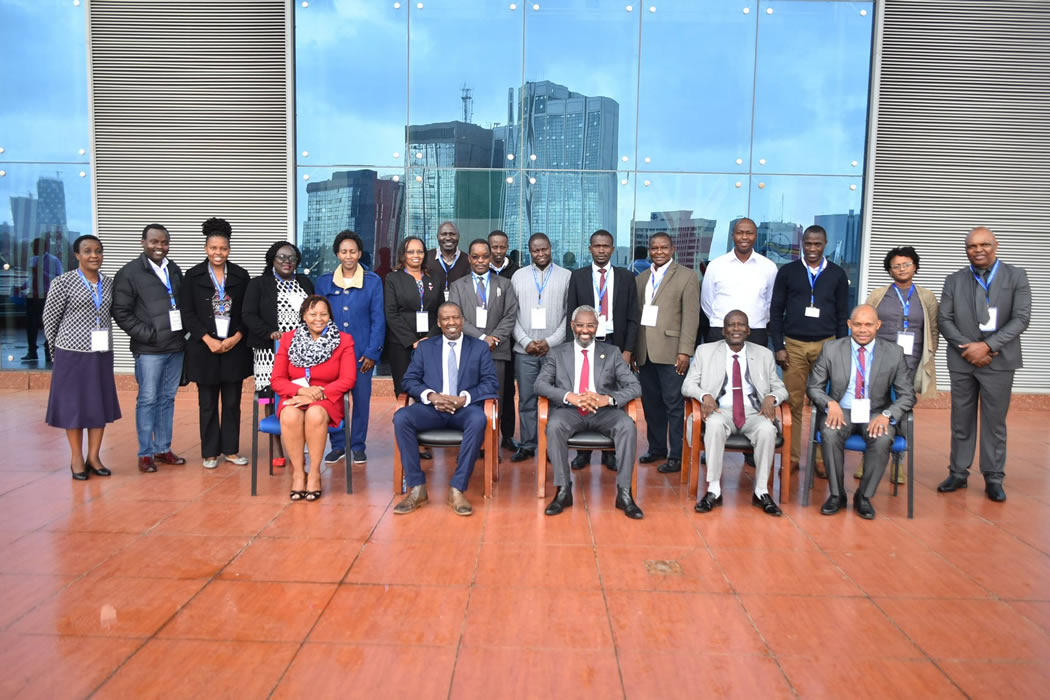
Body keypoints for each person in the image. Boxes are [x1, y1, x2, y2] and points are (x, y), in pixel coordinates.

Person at [937, 226, 1031, 502]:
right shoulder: (954, 280)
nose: (977, 250)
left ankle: (993, 477)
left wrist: (988, 346)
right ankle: (958, 472)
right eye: (971, 246)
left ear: (996, 246)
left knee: (994, 422)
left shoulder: (1016, 276)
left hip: (999, 360)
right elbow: (945, 319)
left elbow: (1021, 318)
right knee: (960, 419)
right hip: (963, 360)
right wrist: (969, 348)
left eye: (983, 245)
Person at [807, 305, 916, 519]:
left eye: (868, 324)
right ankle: (837, 495)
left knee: (883, 438)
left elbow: (908, 395)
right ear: (849, 325)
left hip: (876, 412)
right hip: (842, 409)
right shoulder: (832, 349)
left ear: (878, 326)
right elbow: (814, 387)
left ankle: (863, 497)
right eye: (857, 324)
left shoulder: (894, 353)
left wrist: (887, 415)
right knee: (829, 433)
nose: (862, 330)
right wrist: (830, 404)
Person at [535, 305, 644, 519]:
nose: (585, 330)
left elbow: (635, 386)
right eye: (581, 325)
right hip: (570, 410)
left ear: (597, 327)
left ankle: (624, 493)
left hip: (604, 412)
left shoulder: (612, 353)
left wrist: (608, 399)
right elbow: (540, 385)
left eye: (591, 325)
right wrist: (569, 396)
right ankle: (563, 489)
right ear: (572, 326)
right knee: (554, 425)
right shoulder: (557, 353)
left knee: (627, 426)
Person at [392, 302, 499, 516]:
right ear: (439, 323)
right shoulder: (425, 347)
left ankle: (457, 489)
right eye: (446, 319)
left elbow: (491, 383)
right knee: (402, 417)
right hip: (432, 409)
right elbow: (410, 380)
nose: (452, 322)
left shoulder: (478, 348)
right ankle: (417, 488)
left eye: (456, 318)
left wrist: (464, 399)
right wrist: (431, 396)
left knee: (479, 420)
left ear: (462, 321)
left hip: (464, 409)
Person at [681, 310, 787, 516]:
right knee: (713, 424)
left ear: (748, 330)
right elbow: (688, 385)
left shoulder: (764, 354)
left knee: (767, 430)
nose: (736, 329)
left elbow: (781, 388)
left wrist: (772, 398)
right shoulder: (705, 351)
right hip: (720, 410)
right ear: (724, 330)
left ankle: (761, 491)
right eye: (731, 325)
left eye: (741, 325)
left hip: (754, 412)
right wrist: (704, 395)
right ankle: (713, 490)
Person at [768, 224, 850, 474]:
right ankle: (792, 458)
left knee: (826, 404)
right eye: (808, 244)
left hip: (827, 346)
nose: (812, 248)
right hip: (793, 346)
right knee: (792, 404)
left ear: (824, 244)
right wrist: (778, 346)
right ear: (802, 244)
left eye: (817, 244)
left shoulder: (837, 274)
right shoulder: (788, 272)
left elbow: (842, 314)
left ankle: (821, 460)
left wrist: (840, 349)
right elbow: (775, 310)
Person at [42, 234, 120, 480]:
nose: (94, 255)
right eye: (87, 251)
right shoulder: (63, 282)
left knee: (98, 405)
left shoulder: (108, 284)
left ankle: (94, 457)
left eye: (98, 251)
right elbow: (50, 319)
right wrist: (57, 354)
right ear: (77, 255)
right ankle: (77, 457)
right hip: (71, 355)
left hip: (100, 353)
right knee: (73, 408)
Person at [113, 223, 188, 473]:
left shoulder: (174, 269)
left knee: (167, 399)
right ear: (143, 242)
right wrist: (149, 335)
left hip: (176, 346)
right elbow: (121, 312)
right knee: (147, 399)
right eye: (154, 242)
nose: (160, 247)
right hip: (149, 349)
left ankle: (162, 448)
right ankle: (145, 453)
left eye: (164, 242)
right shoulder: (130, 272)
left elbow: (183, 303)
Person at [861, 246, 939, 483]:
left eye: (906, 264)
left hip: (911, 362)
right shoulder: (878, 294)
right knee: (872, 407)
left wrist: (929, 356)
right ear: (889, 270)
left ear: (914, 266)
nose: (901, 269)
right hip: (879, 363)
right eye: (896, 265)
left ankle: (898, 464)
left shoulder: (926, 296)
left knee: (903, 410)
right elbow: (864, 324)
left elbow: (933, 329)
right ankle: (867, 460)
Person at [565, 229, 640, 472]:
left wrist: (628, 351)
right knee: (585, 388)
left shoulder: (627, 278)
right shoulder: (578, 276)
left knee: (611, 393)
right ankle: (583, 454)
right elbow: (571, 315)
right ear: (590, 248)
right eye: (597, 245)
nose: (601, 250)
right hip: (584, 343)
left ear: (612, 248)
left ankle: (611, 453)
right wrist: (571, 349)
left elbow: (632, 318)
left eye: (606, 246)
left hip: (615, 342)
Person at [180, 218, 252, 469]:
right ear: (205, 249)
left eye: (223, 248)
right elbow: (187, 313)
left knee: (232, 404)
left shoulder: (241, 276)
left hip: (234, 348)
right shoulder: (192, 276)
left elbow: (247, 312)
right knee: (207, 404)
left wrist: (237, 337)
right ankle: (210, 452)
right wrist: (207, 339)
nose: (218, 253)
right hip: (204, 349)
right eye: (213, 248)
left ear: (229, 250)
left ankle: (231, 450)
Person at [270, 295, 357, 501]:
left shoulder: (344, 340)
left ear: (330, 316)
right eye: (313, 314)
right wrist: (302, 392)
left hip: (327, 397)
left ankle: (315, 473)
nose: (318, 318)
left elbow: (348, 379)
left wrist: (318, 394)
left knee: (316, 413)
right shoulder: (288, 339)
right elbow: (277, 379)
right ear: (303, 316)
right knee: (289, 414)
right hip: (296, 394)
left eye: (323, 314)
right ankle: (299, 473)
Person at [316, 230, 386, 466]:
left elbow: (378, 319)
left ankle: (357, 446)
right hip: (331, 354)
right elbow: (318, 318)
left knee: (361, 400)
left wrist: (372, 352)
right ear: (337, 253)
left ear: (359, 253)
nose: (348, 255)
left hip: (361, 354)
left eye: (353, 251)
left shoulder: (373, 281)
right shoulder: (324, 281)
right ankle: (337, 445)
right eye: (344, 251)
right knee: (332, 400)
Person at [633, 232, 700, 474]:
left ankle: (677, 454)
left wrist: (685, 352)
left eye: (663, 248)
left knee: (674, 405)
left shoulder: (687, 277)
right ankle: (657, 448)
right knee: (651, 404)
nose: (658, 252)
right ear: (649, 250)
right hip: (645, 353)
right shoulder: (640, 279)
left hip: (673, 353)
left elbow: (691, 318)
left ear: (672, 249)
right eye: (654, 248)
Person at [242, 240, 313, 468]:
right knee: (267, 395)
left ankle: (299, 445)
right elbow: (248, 315)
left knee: (298, 394)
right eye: (281, 257)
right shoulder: (259, 284)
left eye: (291, 258)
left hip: (301, 352)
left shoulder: (305, 283)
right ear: (272, 259)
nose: (287, 261)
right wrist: (270, 333)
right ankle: (276, 446)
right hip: (268, 352)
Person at [509, 233, 572, 462]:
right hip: (523, 351)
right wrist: (526, 342)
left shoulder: (566, 276)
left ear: (551, 248)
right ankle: (527, 444)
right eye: (536, 250)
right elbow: (511, 314)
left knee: (555, 399)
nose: (541, 254)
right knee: (526, 399)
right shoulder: (518, 276)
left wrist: (550, 342)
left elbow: (570, 315)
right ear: (529, 252)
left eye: (544, 249)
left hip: (555, 351)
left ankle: (551, 445)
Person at [450, 239, 518, 447]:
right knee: (469, 396)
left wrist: (493, 338)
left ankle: (493, 443)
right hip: (468, 349)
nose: (480, 261)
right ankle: (472, 442)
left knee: (496, 398)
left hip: (497, 350)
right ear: (469, 258)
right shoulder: (457, 286)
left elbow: (510, 315)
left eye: (484, 256)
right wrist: (481, 338)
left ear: (490, 258)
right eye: (476, 257)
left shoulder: (504, 284)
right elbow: (456, 316)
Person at [700, 218, 778, 346]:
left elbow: (770, 302)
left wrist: (759, 320)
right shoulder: (716, 265)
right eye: (739, 232)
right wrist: (723, 322)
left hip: (756, 331)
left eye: (749, 233)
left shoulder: (769, 267)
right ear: (732, 236)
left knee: (754, 367)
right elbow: (707, 301)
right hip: (720, 330)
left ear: (756, 236)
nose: (744, 237)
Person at [384, 236, 442, 396]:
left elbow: (441, 311)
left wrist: (430, 337)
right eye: (410, 252)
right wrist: (413, 342)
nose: (416, 255)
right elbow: (391, 313)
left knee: (431, 388)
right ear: (403, 255)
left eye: (420, 251)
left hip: (431, 341)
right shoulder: (393, 278)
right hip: (401, 344)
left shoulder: (435, 277)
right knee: (404, 390)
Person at [489, 229, 520, 448]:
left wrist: (500, 335)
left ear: (507, 247)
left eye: (502, 247)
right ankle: (484, 436)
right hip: (481, 340)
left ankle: (507, 435)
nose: (498, 251)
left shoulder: (516, 272)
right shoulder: (479, 269)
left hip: (508, 340)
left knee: (507, 389)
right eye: (494, 247)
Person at [21, 236, 63, 361]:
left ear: (42, 248)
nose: (32, 249)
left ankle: (49, 351)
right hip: (32, 296)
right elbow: (31, 277)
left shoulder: (53, 260)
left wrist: (41, 272)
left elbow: (58, 279)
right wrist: (22, 286)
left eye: (34, 247)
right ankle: (32, 351)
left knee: (49, 325)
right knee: (31, 325)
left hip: (46, 296)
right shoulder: (32, 260)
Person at [427, 220, 470, 301]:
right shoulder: (427, 258)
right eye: (443, 234)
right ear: (437, 237)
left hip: (459, 309)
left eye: (452, 234)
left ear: (458, 236)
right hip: (433, 310)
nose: (448, 238)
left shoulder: (468, 260)